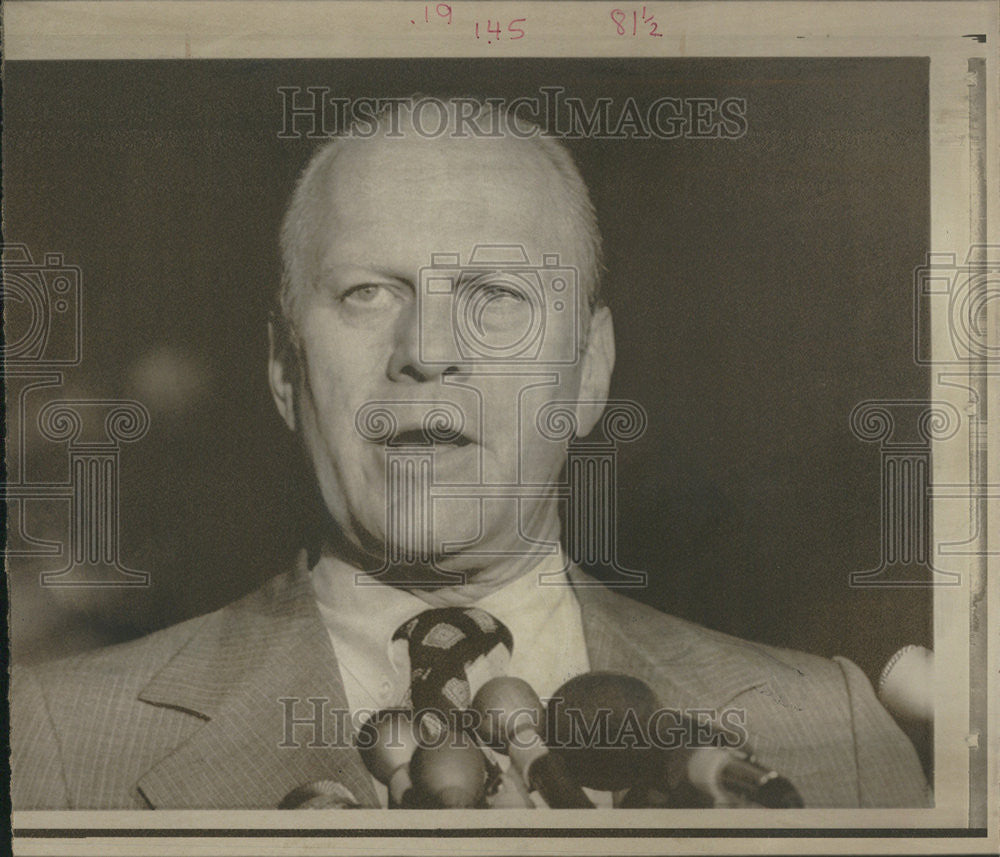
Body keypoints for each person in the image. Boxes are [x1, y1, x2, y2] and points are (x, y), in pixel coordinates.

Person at [10, 98, 928, 810]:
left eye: (496, 293)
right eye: (368, 292)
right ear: (286, 370)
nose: (429, 348)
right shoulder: (57, 741)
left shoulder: (826, 732)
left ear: (589, 371)